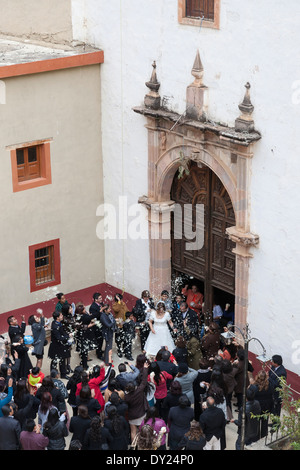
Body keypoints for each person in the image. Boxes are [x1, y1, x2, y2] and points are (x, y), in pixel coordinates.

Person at [124, 362, 150, 443]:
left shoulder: (127, 397)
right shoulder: (139, 391)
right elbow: (144, 381)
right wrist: (145, 368)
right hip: (142, 414)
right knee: (143, 431)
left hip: (132, 416)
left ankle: (133, 445)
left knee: (133, 432)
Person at [249, 369, 274, 438]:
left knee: (256, 422)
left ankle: (256, 436)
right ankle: (263, 435)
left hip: (257, 407)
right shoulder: (270, 386)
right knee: (265, 422)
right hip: (267, 406)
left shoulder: (254, 387)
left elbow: (249, 395)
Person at [48, 311, 72, 379]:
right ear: (57, 318)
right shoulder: (55, 326)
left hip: (61, 346)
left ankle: (63, 374)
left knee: (62, 360)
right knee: (55, 361)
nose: (62, 316)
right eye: (61, 315)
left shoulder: (57, 323)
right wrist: (68, 336)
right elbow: (59, 338)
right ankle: (53, 375)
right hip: (56, 347)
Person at [75, 304, 97, 370]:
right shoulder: (84, 317)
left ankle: (83, 361)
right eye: (84, 309)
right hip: (85, 335)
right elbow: (91, 318)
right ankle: (85, 365)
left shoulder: (77, 316)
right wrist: (93, 324)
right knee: (84, 350)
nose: (85, 310)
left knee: (83, 350)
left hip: (80, 335)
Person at [112, 293, 129, 358]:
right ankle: (119, 350)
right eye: (120, 299)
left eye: (121, 299)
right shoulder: (115, 305)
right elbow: (117, 309)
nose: (121, 301)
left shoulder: (123, 304)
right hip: (119, 325)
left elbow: (127, 310)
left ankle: (124, 349)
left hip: (124, 323)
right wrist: (119, 302)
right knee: (118, 339)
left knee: (124, 338)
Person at [89, 292, 105, 359]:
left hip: (102, 324)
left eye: (101, 297)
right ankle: (99, 355)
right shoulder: (92, 307)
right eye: (100, 298)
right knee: (98, 340)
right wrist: (100, 311)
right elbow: (94, 317)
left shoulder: (101, 304)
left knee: (101, 340)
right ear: (96, 300)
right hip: (97, 326)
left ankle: (100, 350)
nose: (101, 299)